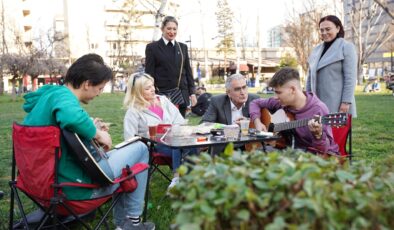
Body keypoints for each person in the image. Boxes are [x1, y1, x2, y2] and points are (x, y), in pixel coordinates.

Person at [22, 54, 154, 230]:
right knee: (140, 148)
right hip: (76, 192)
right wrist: (98, 134)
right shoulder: (64, 97)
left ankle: (125, 224)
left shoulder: (50, 96)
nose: (99, 93)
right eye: (99, 88)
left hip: (42, 189)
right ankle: (130, 222)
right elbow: (71, 117)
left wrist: (89, 131)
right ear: (87, 84)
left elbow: (64, 133)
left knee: (125, 157)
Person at [123, 73, 195, 189]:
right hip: (154, 145)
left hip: (175, 138)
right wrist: (148, 137)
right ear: (137, 91)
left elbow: (179, 120)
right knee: (179, 143)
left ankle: (189, 179)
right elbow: (129, 138)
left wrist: (173, 129)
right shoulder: (133, 111)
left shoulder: (163, 100)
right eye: (147, 88)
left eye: (152, 86)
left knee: (190, 143)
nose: (152, 90)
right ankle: (178, 178)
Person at [249, 67, 339, 154]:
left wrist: (318, 136)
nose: (275, 97)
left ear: (292, 90)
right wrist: (257, 122)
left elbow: (324, 150)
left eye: (278, 92)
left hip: (314, 156)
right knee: (256, 153)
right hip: (289, 151)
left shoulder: (318, 110)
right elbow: (255, 103)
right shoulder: (280, 102)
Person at [145, 16, 196, 117]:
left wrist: (192, 93)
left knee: (180, 126)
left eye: (174, 29)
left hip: (181, 94)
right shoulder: (152, 47)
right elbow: (149, 74)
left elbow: (188, 72)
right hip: (161, 95)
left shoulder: (183, 48)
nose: (172, 31)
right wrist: (151, 94)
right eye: (169, 28)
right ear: (162, 29)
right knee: (163, 126)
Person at [306, 15, 357, 117]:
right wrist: (307, 100)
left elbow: (350, 78)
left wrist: (346, 102)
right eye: (321, 30)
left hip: (337, 104)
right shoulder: (316, 50)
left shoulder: (346, 47)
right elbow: (309, 78)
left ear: (338, 28)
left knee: (336, 133)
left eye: (328, 29)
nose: (324, 33)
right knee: (316, 132)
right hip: (316, 104)